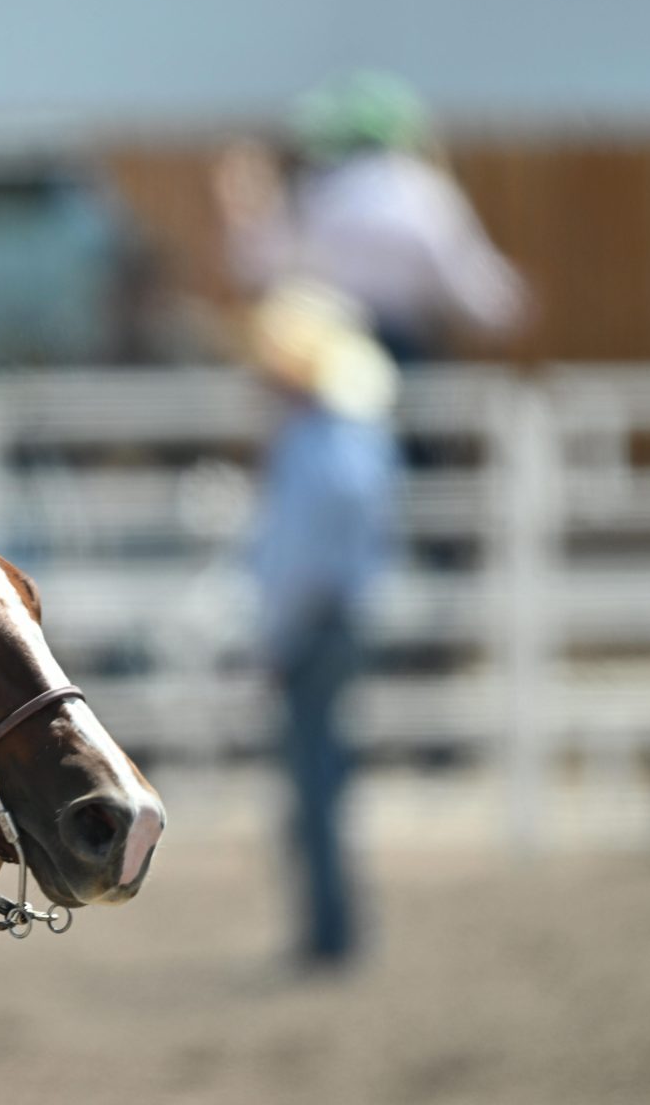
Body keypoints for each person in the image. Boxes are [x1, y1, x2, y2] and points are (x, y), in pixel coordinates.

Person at [245, 282, 400, 968]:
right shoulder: (354, 435)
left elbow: (298, 560)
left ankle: (328, 933)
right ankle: (332, 928)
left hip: (315, 624)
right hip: (340, 618)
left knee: (312, 786)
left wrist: (277, 637)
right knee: (321, 781)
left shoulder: (312, 442)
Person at [217, 72, 527, 367]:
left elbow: (264, 270)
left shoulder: (314, 192)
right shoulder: (422, 192)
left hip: (331, 360)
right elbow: (481, 295)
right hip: (401, 357)